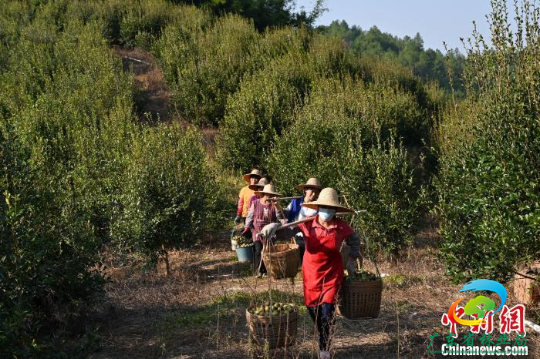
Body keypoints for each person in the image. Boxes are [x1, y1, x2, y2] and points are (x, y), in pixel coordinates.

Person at [260, 188, 361, 359]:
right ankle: (323, 331)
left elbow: (354, 239)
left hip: (332, 273)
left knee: (327, 310)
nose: (327, 211)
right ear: (318, 207)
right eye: (323, 207)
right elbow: (287, 231)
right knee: (314, 310)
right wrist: (275, 227)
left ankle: (325, 348)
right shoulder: (307, 223)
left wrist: (352, 258)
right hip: (311, 273)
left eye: (330, 208)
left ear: (335, 210)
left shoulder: (341, 226)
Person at [244, 184, 286, 278]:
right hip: (257, 231)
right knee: (259, 250)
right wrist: (247, 226)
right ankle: (257, 271)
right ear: (263, 194)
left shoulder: (274, 205)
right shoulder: (255, 203)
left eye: (271, 195)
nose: (269, 197)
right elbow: (250, 216)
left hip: (269, 232)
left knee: (268, 251)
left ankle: (266, 270)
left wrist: (278, 207)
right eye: (267, 195)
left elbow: (281, 218)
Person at [284, 178, 323, 263]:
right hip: (299, 235)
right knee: (303, 249)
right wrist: (277, 207)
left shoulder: (319, 205)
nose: (313, 194)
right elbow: (286, 213)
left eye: (316, 192)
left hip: (314, 236)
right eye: (312, 190)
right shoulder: (296, 202)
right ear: (305, 190)